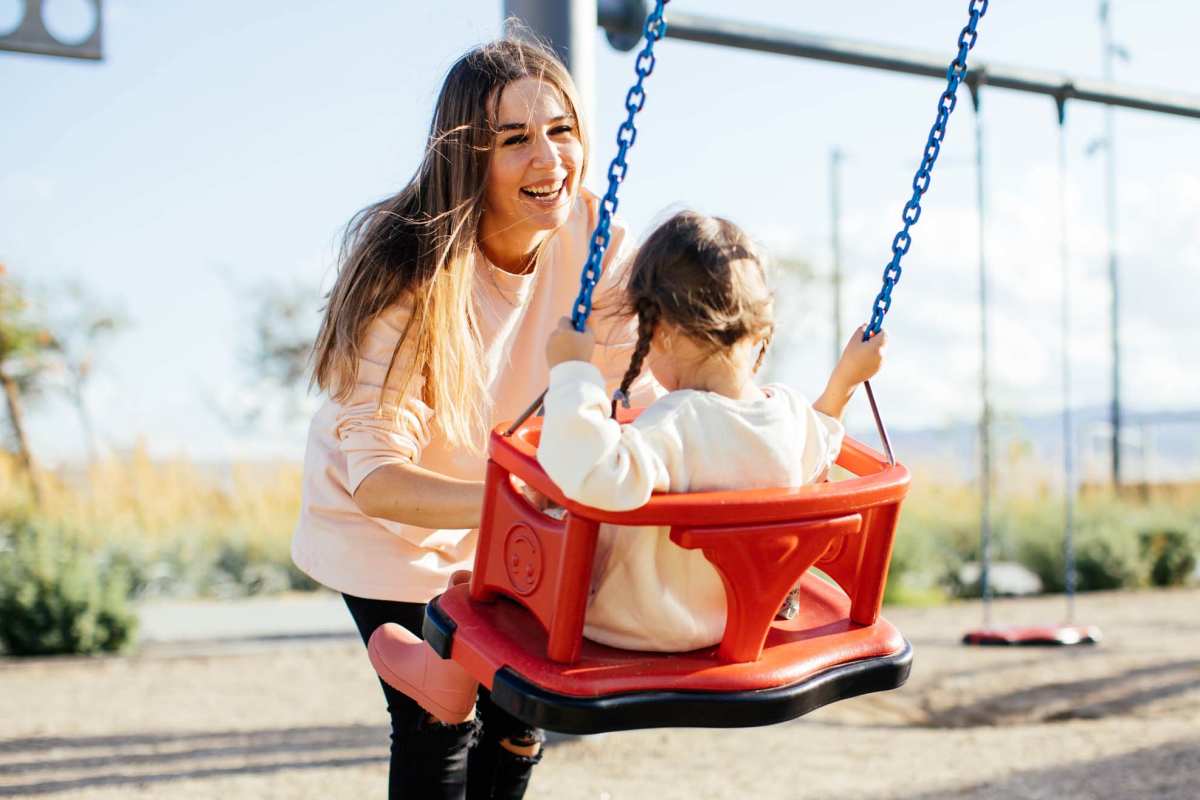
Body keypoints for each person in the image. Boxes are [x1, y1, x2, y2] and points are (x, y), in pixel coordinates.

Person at [292, 38, 653, 800]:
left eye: (561, 129)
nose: (549, 158)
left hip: (518, 503)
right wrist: (528, 496)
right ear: (468, 159)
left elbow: (638, 387)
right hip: (395, 519)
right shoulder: (406, 265)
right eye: (515, 140)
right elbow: (380, 481)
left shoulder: (595, 239)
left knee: (521, 717)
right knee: (437, 720)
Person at [367, 210, 887, 715]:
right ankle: (501, 719)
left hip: (631, 621)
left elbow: (590, 473)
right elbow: (826, 437)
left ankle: (444, 678)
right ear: (760, 332)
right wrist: (845, 377)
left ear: (659, 333)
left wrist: (573, 371)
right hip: (729, 618)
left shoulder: (676, 424)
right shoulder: (790, 417)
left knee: (484, 590)